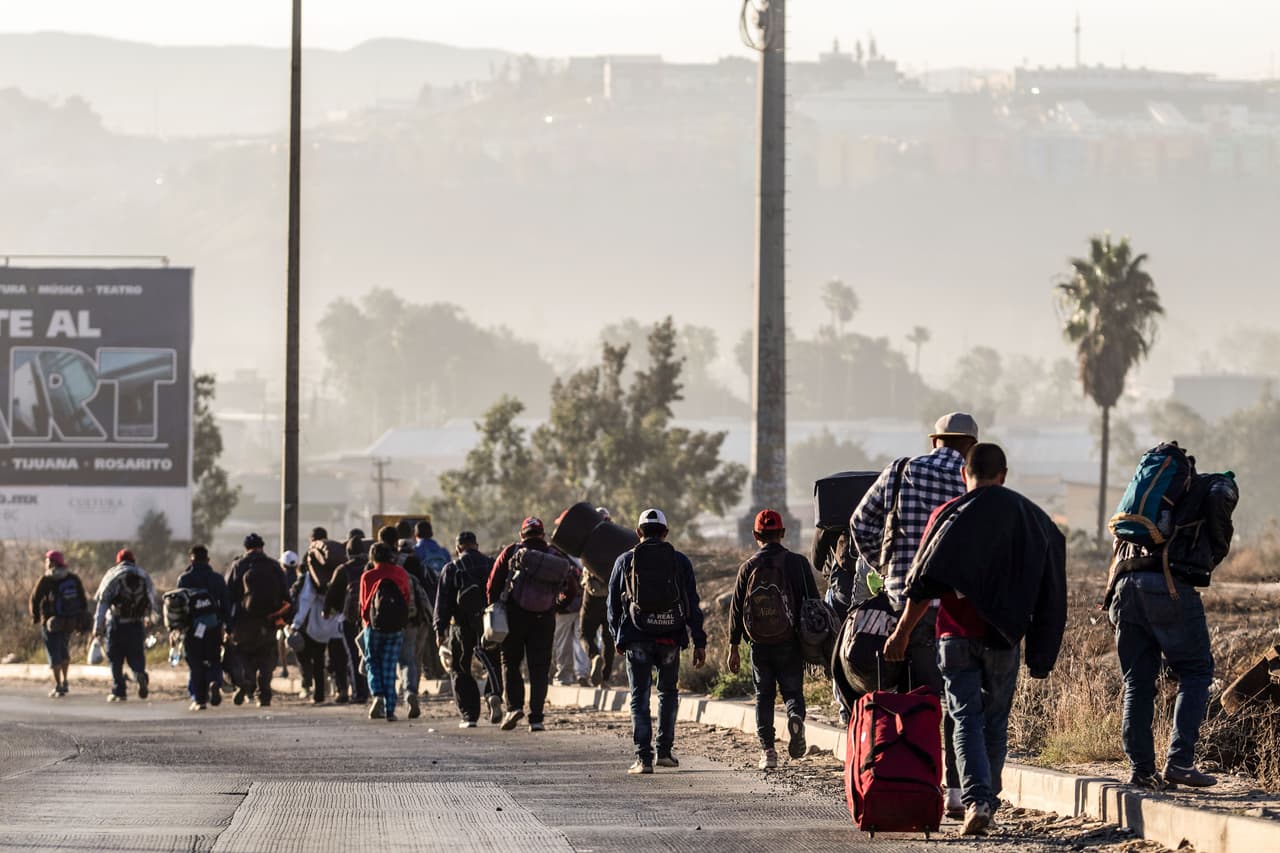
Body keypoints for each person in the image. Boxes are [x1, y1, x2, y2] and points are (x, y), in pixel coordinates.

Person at [884, 443, 1067, 836]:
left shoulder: (947, 515)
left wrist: (901, 633)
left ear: (964, 474)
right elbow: (1052, 587)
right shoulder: (1031, 517)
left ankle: (976, 801)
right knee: (995, 723)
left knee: (965, 718)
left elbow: (922, 584)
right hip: (1004, 638)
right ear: (1004, 474)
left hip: (954, 635)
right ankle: (987, 802)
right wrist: (1042, 651)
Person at [850, 411, 978, 814]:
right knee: (954, 700)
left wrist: (886, 566)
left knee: (908, 700)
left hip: (901, 605)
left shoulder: (900, 471)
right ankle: (955, 791)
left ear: (935, 440)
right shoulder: (972, 480)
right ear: (971, 446)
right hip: (953, 609)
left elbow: (860, 523)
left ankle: (907, 780)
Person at [1107, 459, 1238, 791]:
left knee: (1137, 682)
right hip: (1166, 585)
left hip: (1123, 587)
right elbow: (1217, 540)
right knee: (1196, 671)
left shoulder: (1144, 505)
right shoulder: (1201, 492)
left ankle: (1141, 770)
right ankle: (1180, 761)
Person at [608, 508, 708, 774]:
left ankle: (643, 758)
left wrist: (617, 635)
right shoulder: (680, 561)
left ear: (638, 532)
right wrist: (699, 641)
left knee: (639, 696)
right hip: (670, 637)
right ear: (665, 532)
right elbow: (692, 604)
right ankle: (664, 752)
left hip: (636, 638)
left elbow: (612, 605)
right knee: (668, 693)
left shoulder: (625, 561)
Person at [727, 509, 820, 770]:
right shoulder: (798, 563)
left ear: (755, 535)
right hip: (790, 642)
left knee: (763, 696)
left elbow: (736, 610)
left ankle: (768, 751)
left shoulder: (748, 567)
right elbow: (813, 602)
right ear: (783, 533)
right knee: (792, 692)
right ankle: (794, 716)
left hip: (758, 645)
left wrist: (733, 647)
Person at [486, 516, 579, 732]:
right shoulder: (554, 555)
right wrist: (558, 606)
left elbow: (492, 584)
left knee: (510, 662)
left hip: (514, 616)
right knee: (539, 668)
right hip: (544, 618)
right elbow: (572, 586)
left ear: (522, 535)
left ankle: (514, 707)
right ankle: (536, 718)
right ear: (543, 534)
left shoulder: (512, 551)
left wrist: (495, 607)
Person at [435, 531, 503, 727]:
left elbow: (443, 602)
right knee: (493, 662)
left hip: (461, 626)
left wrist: (440, 630)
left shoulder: (452, 568)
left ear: (458, 549)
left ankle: (469, 715)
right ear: (476, 545)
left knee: (460, 668)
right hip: (489, 623)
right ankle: (493, 695)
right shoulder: (491, 564)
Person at [225, 533, 290, 707]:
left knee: (243, 653)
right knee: (266, 655)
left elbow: (228, 595)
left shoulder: (238, 565)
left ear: (246, 548)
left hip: (243, 622)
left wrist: (228, 624)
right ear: (262, 547)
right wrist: (281, 617)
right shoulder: (274, 566)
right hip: (268, 620)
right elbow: (286, 595)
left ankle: (248, 682)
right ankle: (264, 693)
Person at [93, 549, 159, 702]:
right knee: (136, 656)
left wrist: (97, 627)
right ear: (133, 560)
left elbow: (103, 602)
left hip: (116, 625)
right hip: (136, 624)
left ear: (118, 561)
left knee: (115, 659)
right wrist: (151, 619)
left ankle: (119, 691)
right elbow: (152, 600)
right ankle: (139, 674)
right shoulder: (143, 575)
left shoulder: (113, 575)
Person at [292, 534, 349, 705]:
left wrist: (297, 623)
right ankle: (342, 690)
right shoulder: (340, 568)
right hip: (337, 621)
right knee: (339, 659)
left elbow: (306, 599)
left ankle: (318, 694)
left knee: (318, 660)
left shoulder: (312, 574)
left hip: (317, 623)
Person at [360, 541, 413, 722]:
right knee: (389, 666)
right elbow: (406, 598)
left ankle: (378, 694)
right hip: (396, 627)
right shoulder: (400, 573)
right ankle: (390, 709)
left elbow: (364, 605)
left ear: (372, 558)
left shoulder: (367, 576)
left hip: (373, 626)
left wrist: (367, 622)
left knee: (372, 661)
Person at [176, 545, 231, 710]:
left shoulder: (184, 579)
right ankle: (215, 681)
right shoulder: (217, 579)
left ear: (191, 560)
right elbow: (226, 605)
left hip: (192, 629)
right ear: (208, 560)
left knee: (196, 662)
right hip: (214, 627)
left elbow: (178, 606)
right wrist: (227, 626)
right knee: (214, 658)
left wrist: (176, 628)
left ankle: (199, 699)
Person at [28, 550, 88, 698]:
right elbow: (82, 599)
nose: (46, 563)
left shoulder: (46, 579)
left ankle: (58, 685)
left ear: (52, 562)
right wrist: (80, 619)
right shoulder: (72, 578)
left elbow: (35, 599)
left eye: (47, 560)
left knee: (54, 653)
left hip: (51, 623)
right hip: (70, 621)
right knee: (64, 650)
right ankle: (66, 680)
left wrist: (36, 617)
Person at [324, 530, 371, 703]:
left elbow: (332, 593)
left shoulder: (343, 569)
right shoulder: (370, 566)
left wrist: (327, 611)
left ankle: (359, 693)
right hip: (370, 618)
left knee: (353, 655)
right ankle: (373, 690)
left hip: (349, 618)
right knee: (370, 654)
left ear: (348, 552)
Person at [580, 507, 617, 687]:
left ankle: (594, 656)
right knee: (609, 638)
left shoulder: (588, 537)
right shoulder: (617, 538)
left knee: (585, 633)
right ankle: (605, 678)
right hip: (610, 595)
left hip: (592, 594)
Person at [412, 519, 451, 682]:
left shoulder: (414, 552)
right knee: (442, 635)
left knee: (426, 637)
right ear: (432, 534)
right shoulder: (443, 552)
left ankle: (429, 670)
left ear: (416, 535)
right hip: (443, 599)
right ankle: (443, 669)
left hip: (424, 601)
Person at [553, 557, 589, 686]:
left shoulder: (557, 554)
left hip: (564, 607)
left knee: (563, 642)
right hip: (584, 605)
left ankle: (564, 675)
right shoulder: (585, 556)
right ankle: (582, 674)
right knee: (582, 640)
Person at [277, 549, 301, 680]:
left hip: (283, 617)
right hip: (299, 617)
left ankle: (285, 668)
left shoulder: (279, 579)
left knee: (281, 641)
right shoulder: (301, 578)